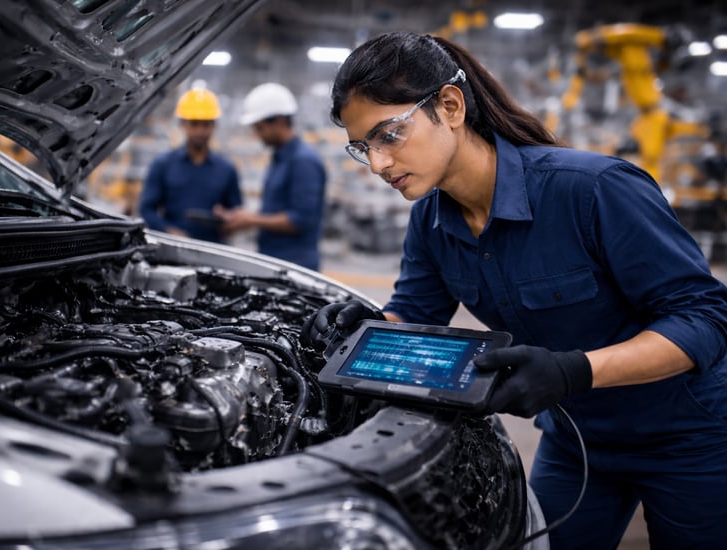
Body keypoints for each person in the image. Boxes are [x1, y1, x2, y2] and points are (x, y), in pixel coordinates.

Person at [300, 31, 727, 549]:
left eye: (389, 135)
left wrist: (573, 370)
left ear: (450, 106)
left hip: (689, 437)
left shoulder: (592, 190)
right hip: (577, 441)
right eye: (362, 147)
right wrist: (360, 326)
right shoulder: (431, 223)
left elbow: (704, 320)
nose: (378, 165)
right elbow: (415, 311)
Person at [215, 83, 327, 271]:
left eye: (260, 128)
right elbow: (276, 210)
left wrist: (251, 220)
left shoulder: (303, 161)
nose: (257, 135)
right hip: (275, 260)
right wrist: (240, 218)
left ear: (280, 121)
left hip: (296, 266)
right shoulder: (279, 158)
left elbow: (300, 220)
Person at [139, 88, 241, 243]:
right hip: (171, 248)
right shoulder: (163, 165)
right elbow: (147, 209)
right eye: (194, 124)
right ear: (183, 125)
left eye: (206, 125)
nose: (200, 131)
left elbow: (236, 211)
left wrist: (228, 219)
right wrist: (168, 231)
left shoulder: (227, 169)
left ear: (214, 126)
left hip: (214, 250)